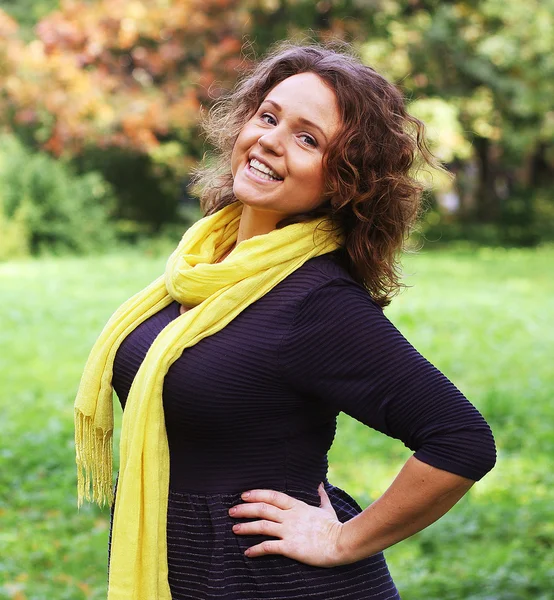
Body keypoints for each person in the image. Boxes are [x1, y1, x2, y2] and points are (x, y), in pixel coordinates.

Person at [74, 41, 496, 600]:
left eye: (307, 138)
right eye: (268, 117)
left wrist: (343, 541)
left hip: (272, 583)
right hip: (189, 570)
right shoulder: (203, 268)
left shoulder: (314, 301)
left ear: (346, 178)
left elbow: (461, 440)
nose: (271, 140)